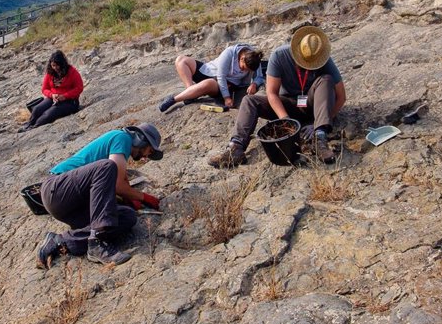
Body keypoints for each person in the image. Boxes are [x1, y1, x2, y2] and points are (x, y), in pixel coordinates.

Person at [208, 25, 346, 168]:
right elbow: (272, 93)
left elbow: (341, 97)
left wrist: (317, 124)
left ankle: (320, 139)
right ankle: (235, 148)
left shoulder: (323, 59)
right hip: (288, 105)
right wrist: (287, 121)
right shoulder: (279, 55)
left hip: (315, 105)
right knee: (249, 101)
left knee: (326, 80)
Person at [35, 123, 164, 268]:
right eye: (150, 151)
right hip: (57, 189)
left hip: (75, 205)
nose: (147, 157)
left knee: (126, 217)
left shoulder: (121, 150)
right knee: (107, 167)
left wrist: (129, 198)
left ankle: (59, 241)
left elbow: (118, 185)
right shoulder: (122, 138)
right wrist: (143, 197)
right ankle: (96, 244)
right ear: (140, 139)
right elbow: (118, 185)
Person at [158, 44, 264, 112]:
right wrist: (227, 98)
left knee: (208, 83)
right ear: (242, 58)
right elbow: (221, 74)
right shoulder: (230, 52)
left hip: (226, 84)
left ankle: (174, 99)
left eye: (247, 71)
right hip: (211, 71)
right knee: (181, 60)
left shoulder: (255, 59)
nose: (244, 71)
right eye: (243, 68)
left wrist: (254, 84)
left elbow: (259, 77)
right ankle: (190, 93)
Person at [19, 50, 83, 132]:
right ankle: (29, 123)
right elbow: (44, 89)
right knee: (37, 109)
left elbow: (79, 88)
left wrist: (65, 96)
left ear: (62, 64)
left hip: (70, 101)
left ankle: (34, 127)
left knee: (49, 113)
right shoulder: (50, 73)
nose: (55, 68)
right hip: (53, 98)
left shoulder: (72, 72)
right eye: (53, 65)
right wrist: (52, 95)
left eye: (57, 66)